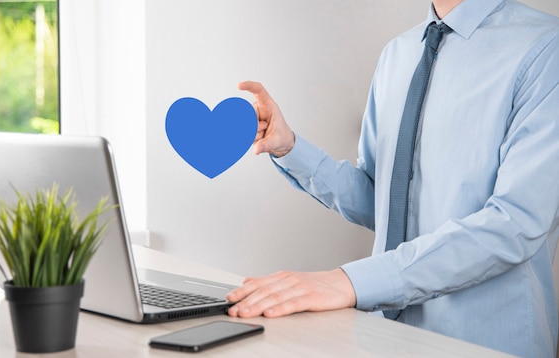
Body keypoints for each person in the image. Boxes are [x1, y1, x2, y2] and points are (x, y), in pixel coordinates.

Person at [226, 0, 559, 357]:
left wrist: (351, 282)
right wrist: (289, 148)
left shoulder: (544, 47)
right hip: (387, 339)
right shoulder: (397, 54)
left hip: (488, 344)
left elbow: (516, 224)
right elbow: (381, 202)